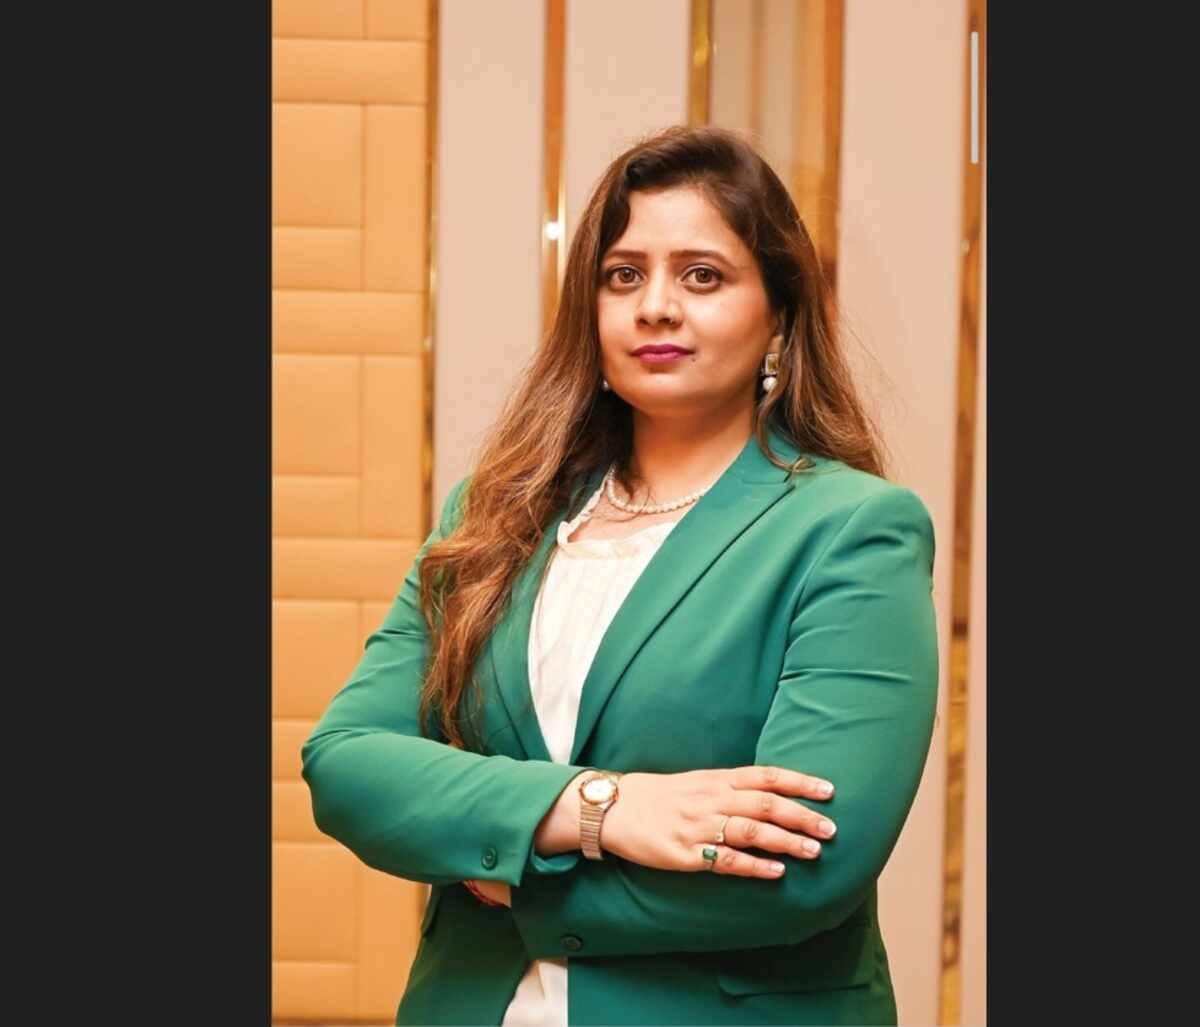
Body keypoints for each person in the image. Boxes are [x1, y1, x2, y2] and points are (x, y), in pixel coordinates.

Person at [301, 124, 938, 1027]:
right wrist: (596, 806)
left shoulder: (850, 529)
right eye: (624, 275)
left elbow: (807, 865)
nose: (656, 307)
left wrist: (508, 869)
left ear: (780, 315)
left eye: (703, 276)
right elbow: (349, 763)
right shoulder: (496, 514)